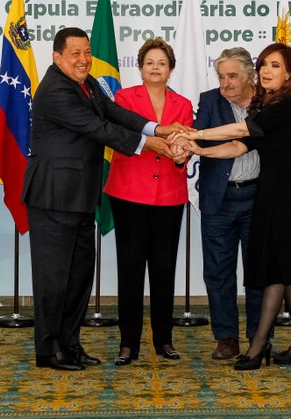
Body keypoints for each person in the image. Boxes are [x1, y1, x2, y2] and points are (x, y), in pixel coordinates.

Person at [22, 27, 187, 371]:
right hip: (53, 197)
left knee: (78, 276)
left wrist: (156, 129)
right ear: (57, 58)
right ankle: (49, 350)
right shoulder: (54, 90)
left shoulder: (88, 83)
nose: (83, 60)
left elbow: (114, 113)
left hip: (81, 197)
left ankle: (69, 344)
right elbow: (97, 128)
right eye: (75, 54)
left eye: (86, 53)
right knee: (54, 278)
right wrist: (148, 144)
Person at [170, 42, 291, 370]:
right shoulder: (267, 106)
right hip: (275, 194)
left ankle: (259, 344)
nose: (267, 71)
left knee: (276, 269)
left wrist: (197, 133)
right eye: (264, 65)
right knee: (285, 271)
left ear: (289, 74)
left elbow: (242, 129)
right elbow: (237, 147)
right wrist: (196, 148)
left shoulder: (286, 104)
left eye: (275, 66)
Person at [103, 38, 192, 366]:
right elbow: (121, 138)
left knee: (164, 268)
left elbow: (183, 148)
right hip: (128, 193)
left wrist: (182, 156)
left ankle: (164, 340)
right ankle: (128, 344)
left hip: (169, 195)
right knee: (130, 269)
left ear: (170, 69)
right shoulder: (124, 98)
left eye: (162, 63)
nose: (155, 68)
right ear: (139, 68)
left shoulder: (183, 105)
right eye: (149, 62)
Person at [194, 47, 262, 360]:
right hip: (218, 200)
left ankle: (259, 337)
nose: (225, 83)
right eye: (221, 76)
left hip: (259, 198)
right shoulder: (209, 101)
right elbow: (199, 138)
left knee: (259, 272)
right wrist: (185, 144)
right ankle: (226, 338)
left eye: (232, 76)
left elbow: (238, 142)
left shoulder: (267, 102)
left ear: (250, 76)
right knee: (218, 272)